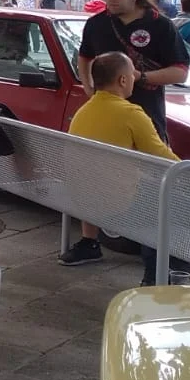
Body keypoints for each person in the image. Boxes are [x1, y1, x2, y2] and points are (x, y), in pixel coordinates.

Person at [60, 51, 179, 266]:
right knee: (167, 194)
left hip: (79, 197)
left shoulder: (84, 111)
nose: (134, 78)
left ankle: (89, 244)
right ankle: (155, 270)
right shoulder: (131, 113)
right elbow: (161, 157)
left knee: (98, 176)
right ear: (123, 80)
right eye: (132, 74)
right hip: (115, 203)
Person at [77, 0, 189, 142]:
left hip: (147, 120)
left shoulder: (160, 25)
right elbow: (84, 57)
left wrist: (140, 76)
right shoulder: (96, 24)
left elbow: (180, 72)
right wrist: (88, 89)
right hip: (106, 123)